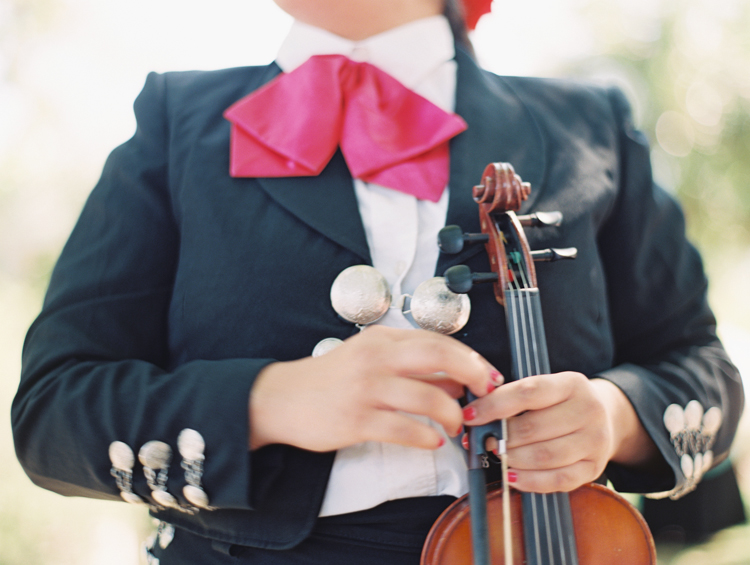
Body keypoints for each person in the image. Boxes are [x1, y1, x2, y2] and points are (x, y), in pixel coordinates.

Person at [12, 0, 744, 563]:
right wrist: (272, 401)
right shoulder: (174, 124)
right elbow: (53, 411)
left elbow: (700, 367)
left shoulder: (592, 124)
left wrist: (613, 414)